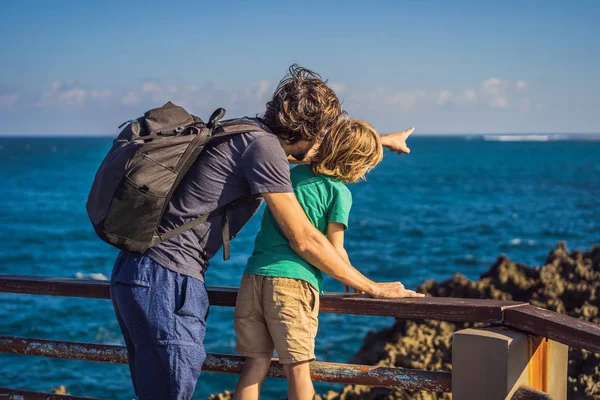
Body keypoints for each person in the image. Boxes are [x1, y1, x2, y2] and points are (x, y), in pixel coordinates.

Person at [109, 64, 420, 400]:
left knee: (157, 390)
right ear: (311, 131)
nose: (324, 140)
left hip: (135, 271)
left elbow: (322, 158)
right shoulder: (265, 148)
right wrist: (371, 287)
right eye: (324, 132)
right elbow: (304, 237)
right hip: (169, 278)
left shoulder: (246, 131)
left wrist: (382, 140)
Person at [232, 118, 423, 400]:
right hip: (293, 285)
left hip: (254, 277)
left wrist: (381, 139)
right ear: (359, 165)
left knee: (255, 363)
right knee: (298, 369)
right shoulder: (339, 192)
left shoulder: (290, 176)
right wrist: (356, 279)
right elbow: (336, 249)